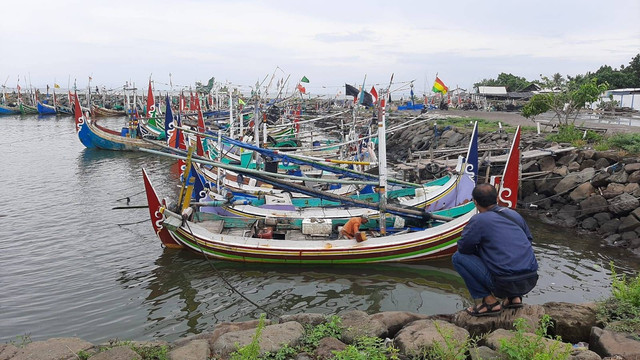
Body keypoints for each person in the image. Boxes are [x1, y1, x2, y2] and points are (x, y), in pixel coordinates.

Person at [452, 183, 538, 317]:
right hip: (530, 279)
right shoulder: (514, 215)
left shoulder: (479, 220)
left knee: (458, 258)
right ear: (497, 198)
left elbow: (464, 248)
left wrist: (481, 251)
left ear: (475, 202)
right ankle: (514, 298)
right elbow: (528, 240)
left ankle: (489, 303)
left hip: (503, 284)